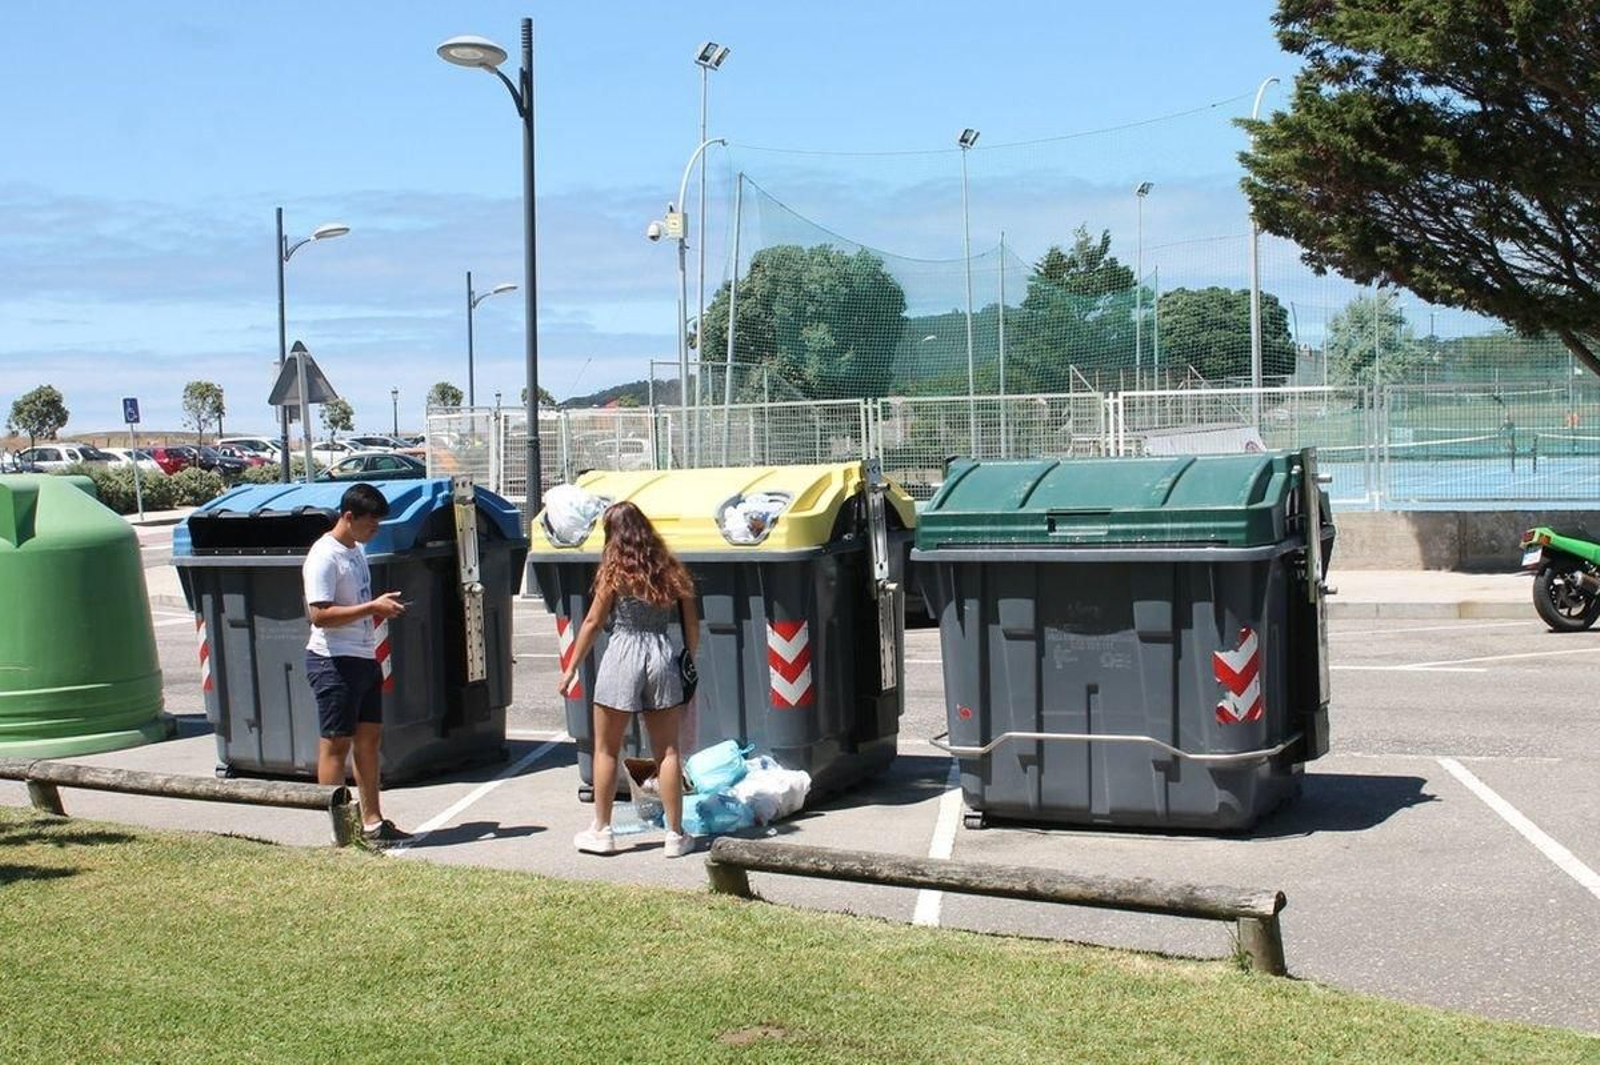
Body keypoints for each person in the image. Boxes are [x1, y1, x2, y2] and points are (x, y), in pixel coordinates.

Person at [559, 501, 700, 857]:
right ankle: (675, 835)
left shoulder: (614, 570)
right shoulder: (669, 567)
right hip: (660, 654)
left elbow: (592, 622)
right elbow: (691, 624)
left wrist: (572, 666)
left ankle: (602, 831)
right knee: (667, 752)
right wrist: (689, 659)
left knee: (606, 749)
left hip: (622, 651)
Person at [303, 482, 411, 847]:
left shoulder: (356, 550)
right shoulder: (324, 555)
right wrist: (372, 608)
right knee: (336, 746)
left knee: (369, 741)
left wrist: (379, 609)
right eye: (370, 524)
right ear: (348, 517)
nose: (374, 530)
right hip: (333, 661)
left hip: (364, 658)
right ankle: (341, 833)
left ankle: (372, 822)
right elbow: (319, 615)